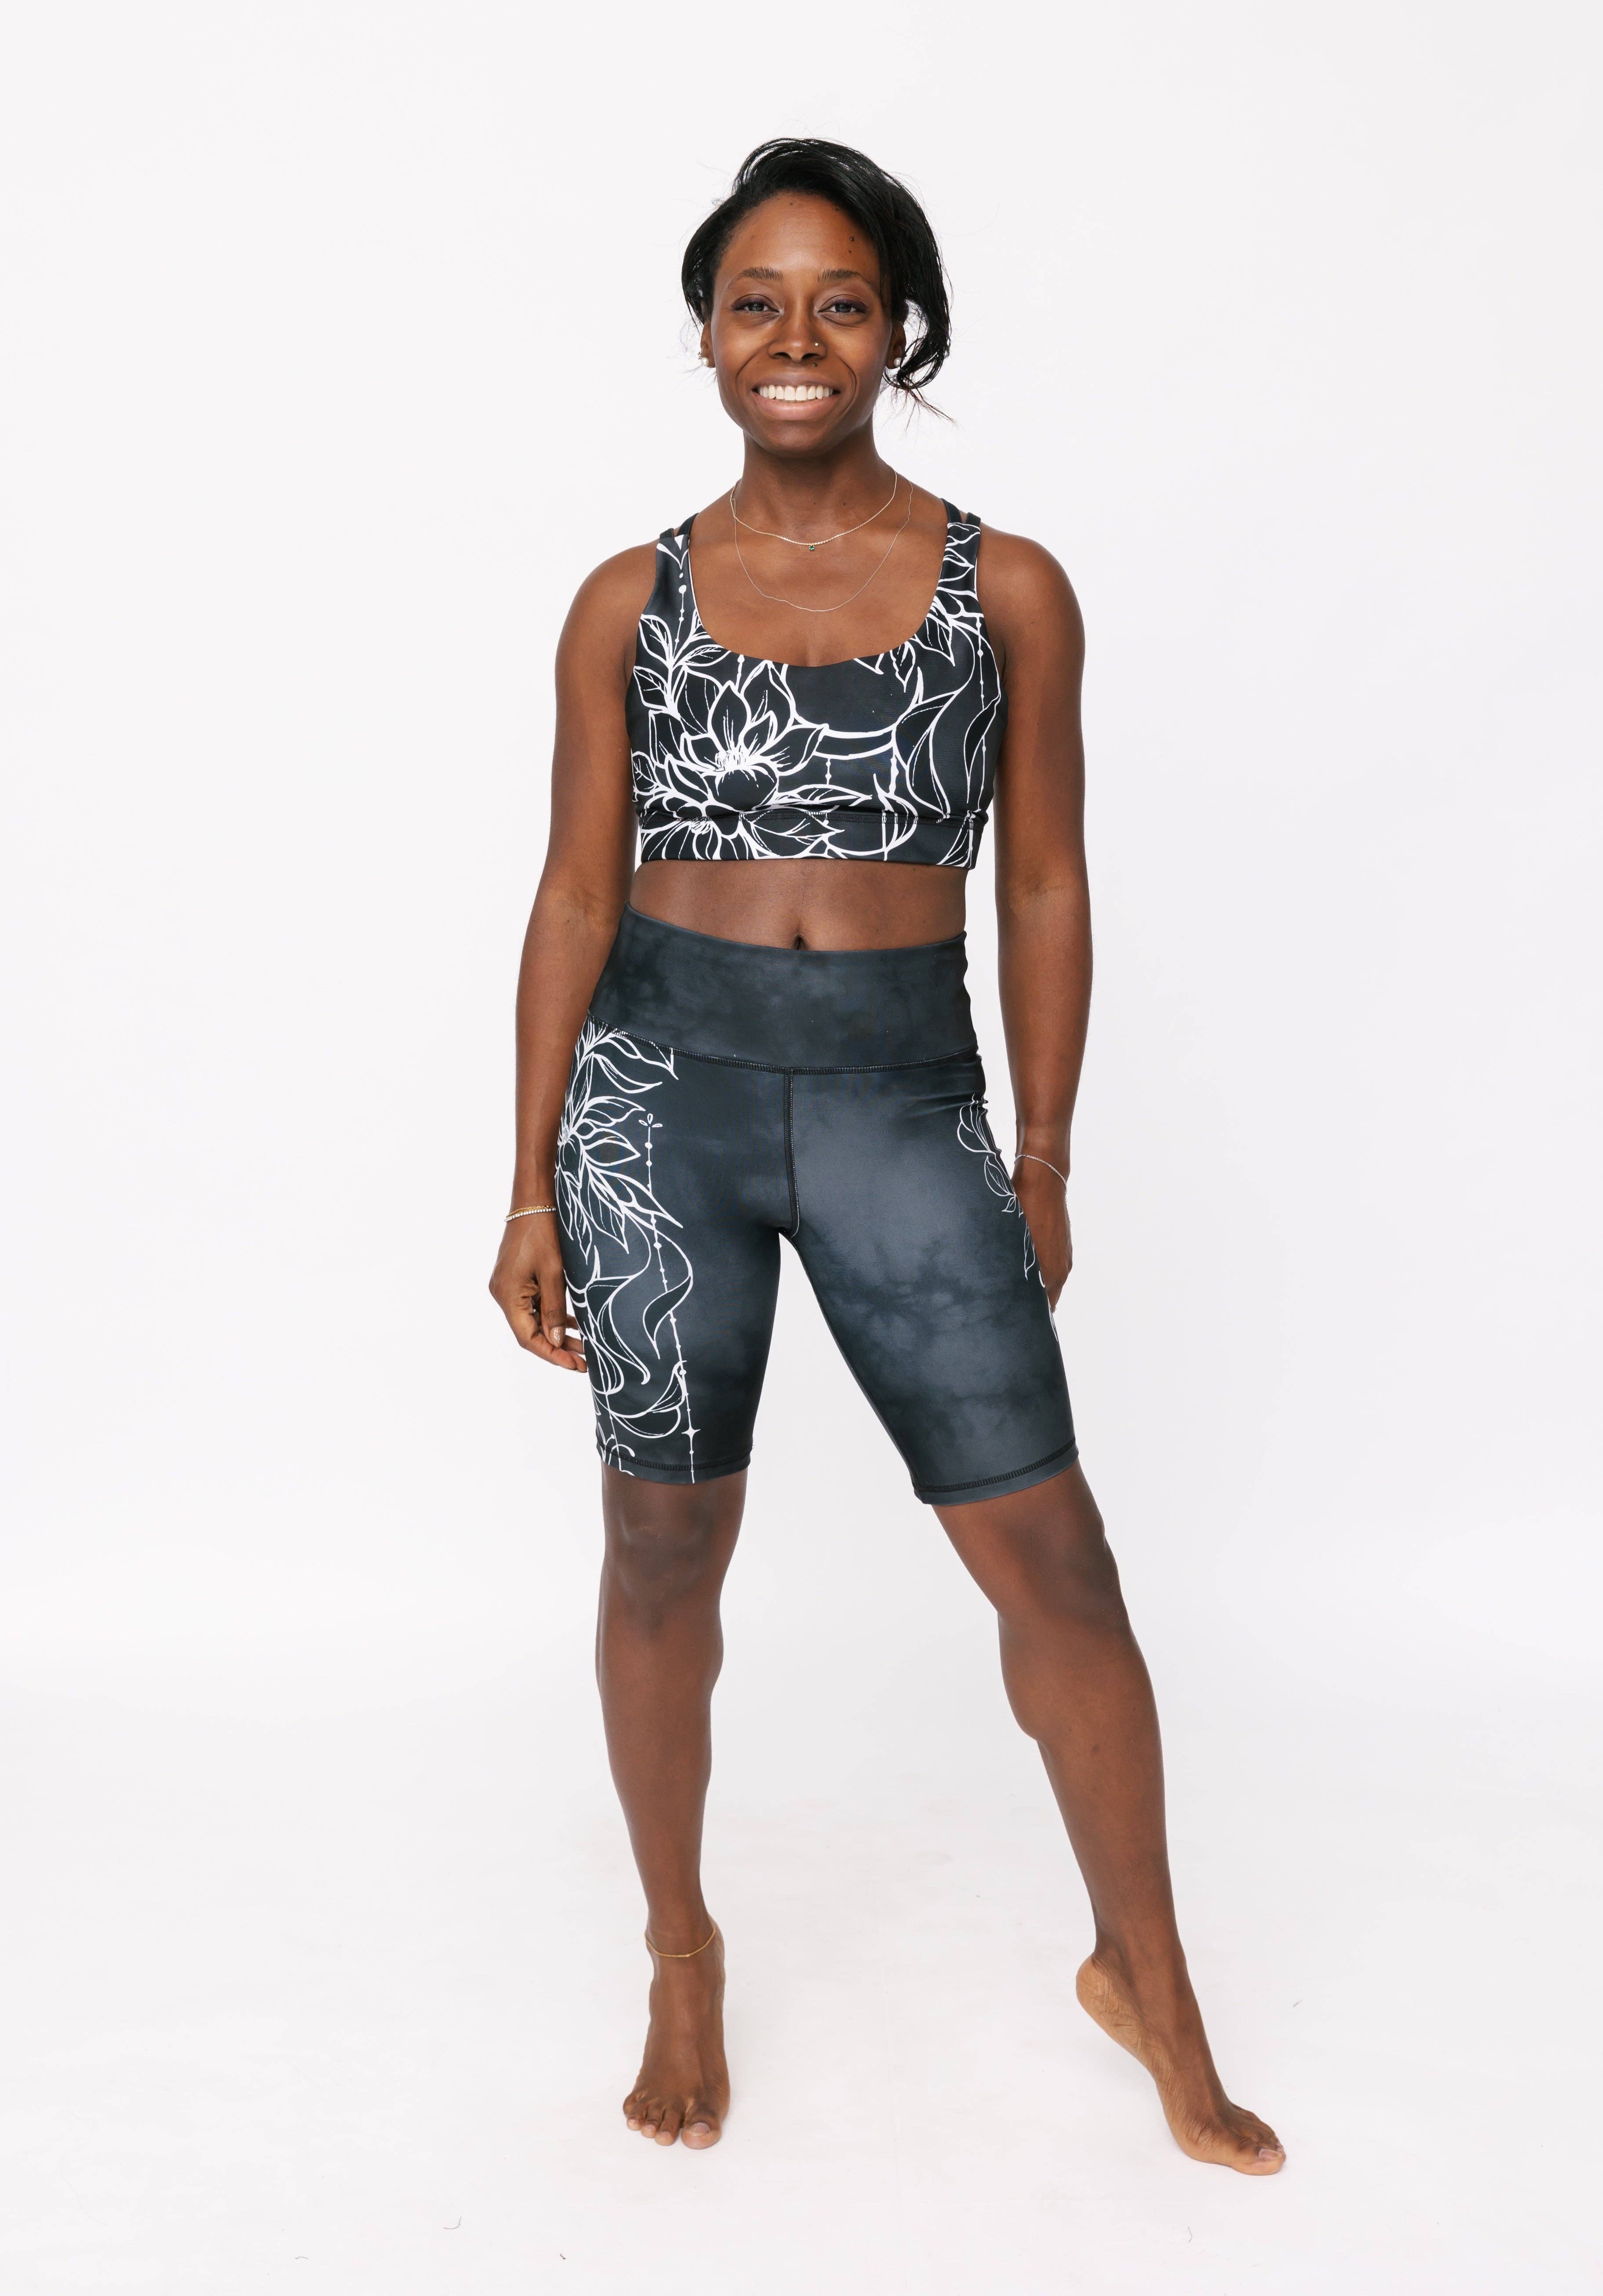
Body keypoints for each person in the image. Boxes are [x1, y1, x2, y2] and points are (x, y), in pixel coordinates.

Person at [490, 138, 1283, 2173]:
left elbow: (1046, 883)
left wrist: (1049, 1152)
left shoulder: (1003, 590)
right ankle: (681, 1955)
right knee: (662, 1551)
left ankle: (1150, 1976)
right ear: (704, 335)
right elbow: (574, 894)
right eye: (755, 303)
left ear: (898, 333)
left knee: (1058, 1562)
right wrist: (528, 1184)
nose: (796, 339)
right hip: (661, 1113)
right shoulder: (628, 602)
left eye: (839, 303)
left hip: (900, 1110)